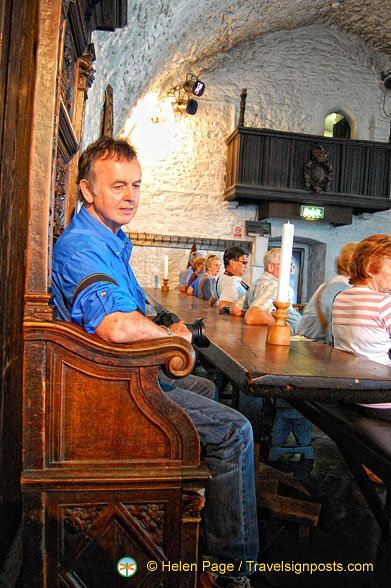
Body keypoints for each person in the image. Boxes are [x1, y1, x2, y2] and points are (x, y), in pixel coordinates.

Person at [51, 136, 258, 588]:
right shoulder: (81, 245)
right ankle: (230, 572)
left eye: (137, 186)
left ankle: (196, 506)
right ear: (87, 190)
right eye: (118, 185)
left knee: (204, 387)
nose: (130, 196)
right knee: (235, 431)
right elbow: (115, 326)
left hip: (119, 377)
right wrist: (170, 335)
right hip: (107, 391)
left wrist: (165, 328)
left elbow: (133, 311)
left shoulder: (110, 239)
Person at [332, 234, 391, 420]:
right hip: (381, 398)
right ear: (369, 268)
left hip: (350, 394)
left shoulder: (340, 298)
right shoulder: (383, 303)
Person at [298, 242, 358, 345]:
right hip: (317, 352)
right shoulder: (343, 291)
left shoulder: (327, 286)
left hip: (306, 345)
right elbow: (333, 337)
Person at [237, 248, 301, 332]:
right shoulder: (275, 286)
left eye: (291, 265)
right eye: (286, 265)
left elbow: (236, 310)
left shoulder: (257, 283)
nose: (290, 270)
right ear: (271, 267)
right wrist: (280, 322)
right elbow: (251, 316)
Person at [216, 246, 249, 316]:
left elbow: (211, 300)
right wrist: (248, 312)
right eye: (244, 262)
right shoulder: (231, 281)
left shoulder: (222, 277)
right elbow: (222, 306)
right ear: (232, 263)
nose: (246, 266)